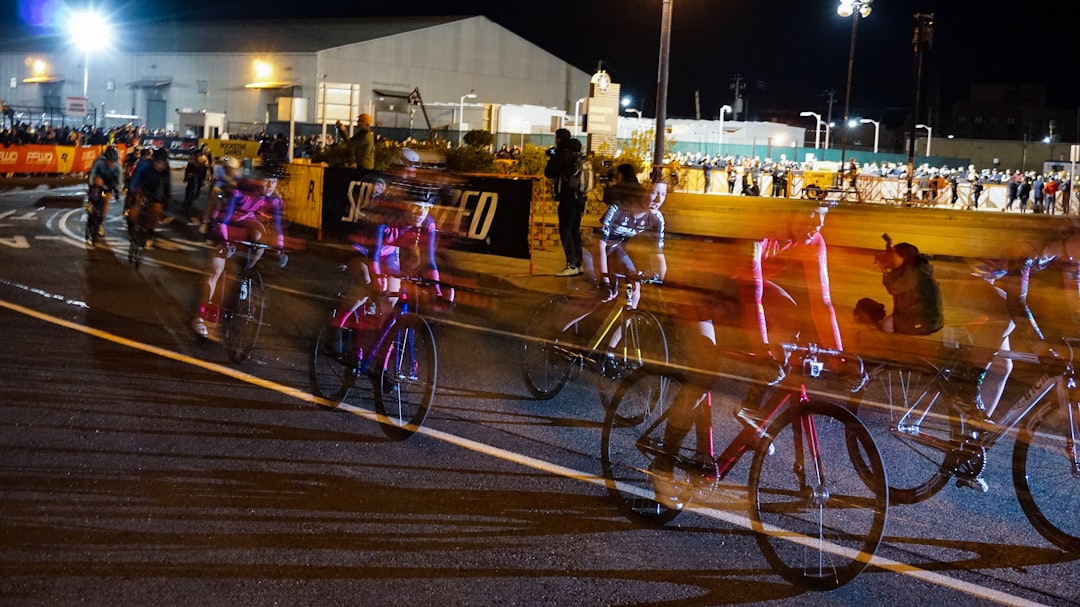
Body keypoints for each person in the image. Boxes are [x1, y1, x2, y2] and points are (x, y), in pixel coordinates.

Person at [651, 204, 842, 509]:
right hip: (700, 292)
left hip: (735, 291)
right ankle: (662, 464)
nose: (817, 226)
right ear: (789, 213)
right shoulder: (758, 233)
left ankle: (751, 410)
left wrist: (839, 354)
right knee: (705, 371)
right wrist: (765, 347)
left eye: (823, 219)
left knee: (790, 320)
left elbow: (822, 301)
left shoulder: (813, 240)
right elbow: (752, 295)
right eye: (810, 217)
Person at [192, 167, 286, 340]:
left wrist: (280, 248)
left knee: (261, 237)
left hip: (245, 230)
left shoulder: (274, 201)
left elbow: (278, 228)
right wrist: (226, 241)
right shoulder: (241, 193)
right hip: (227, 228)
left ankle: (247, 271)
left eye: (273, 182)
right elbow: (225, 219)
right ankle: (201, 315)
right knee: (217, 272)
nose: (269, 185)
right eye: (266, 180)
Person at [875, 242, 944, 335]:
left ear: (903, 257)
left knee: (885, 327)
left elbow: (893, 288)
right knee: (885, 323)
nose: (892, 258)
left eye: (894, 256)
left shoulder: (913, 275)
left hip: (922, 323)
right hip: (928, 319)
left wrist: (885, 270)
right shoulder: (915, 268)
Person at [544, 128, 586, 276]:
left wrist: (552, 156)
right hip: (580, 198)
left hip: (567, 198)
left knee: (566, 231)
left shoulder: (562, 155)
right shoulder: (579, 156)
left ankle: (571, 264)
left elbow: (549, 172)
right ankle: (579, 264)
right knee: (575, 231)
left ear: (559, 139)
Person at [126, 147, 172, 250]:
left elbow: (166, 186)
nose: (161, 166)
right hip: (141, 187)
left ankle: (150, 233)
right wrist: (134, 194)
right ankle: (131, 223)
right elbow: (134, 181)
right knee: (134, 209)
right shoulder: (143, 164)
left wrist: (165, 201)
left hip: (155, 190)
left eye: (163, 164)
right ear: (153, 160)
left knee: (156, 209)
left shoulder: (165, 170)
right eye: (159, 163)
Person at [86, 145, 122, 239]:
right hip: (99, 178)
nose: (111, 164)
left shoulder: (118, 167)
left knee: (106, 200)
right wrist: (91, 186)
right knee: (97, 182)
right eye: (110, 161)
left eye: (113, 162)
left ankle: (101, 222)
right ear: (105, 159)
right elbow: (92, 175)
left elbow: (119, 181)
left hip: (110, 181)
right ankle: (91, 202)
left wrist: (117, 191)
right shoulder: (99, 162)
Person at [200, 156, 242, 234]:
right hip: (218, 189)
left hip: (229, 192)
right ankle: (205, 222)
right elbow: (216, 180)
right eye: (229, 167)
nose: (231, 169)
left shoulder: (237, 175)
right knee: (212, 203)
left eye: (233, 168)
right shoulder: (220, 170)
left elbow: (238, 185)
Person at [181, 153, 210, 219]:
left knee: (195, 190)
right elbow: (188, 169)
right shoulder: (192, 161)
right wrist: (186, 177)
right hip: (192, 177)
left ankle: (190, 200)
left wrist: (203, 180)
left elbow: (204, 171)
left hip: (198, 177)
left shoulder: (204, 160)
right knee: (189, 189)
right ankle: (187, 201)